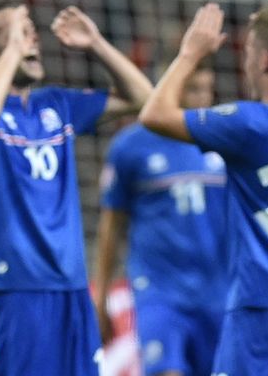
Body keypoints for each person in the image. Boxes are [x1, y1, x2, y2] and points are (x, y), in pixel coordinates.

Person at [0, 2, 152, 375]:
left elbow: (143, 97)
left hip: (71, 283)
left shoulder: (57, 105)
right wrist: (12, 53)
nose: (32, 40)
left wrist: (96, 44)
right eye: (21, 33)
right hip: (18, 285)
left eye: (31, 34)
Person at [139, 3, 268, 375]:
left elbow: (154, 113)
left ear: (263, 59)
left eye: (248, 51)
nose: (245, 61)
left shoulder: (248, 126)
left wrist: (190, 53)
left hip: (262, 309)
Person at [93, 67, 229, 376]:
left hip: (218, 294)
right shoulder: (130, 146)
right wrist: (100, 296)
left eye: (207, 89)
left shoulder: (223, 142)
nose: (202, 98)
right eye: (193, 89)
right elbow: (111, 227)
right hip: (160, 292)